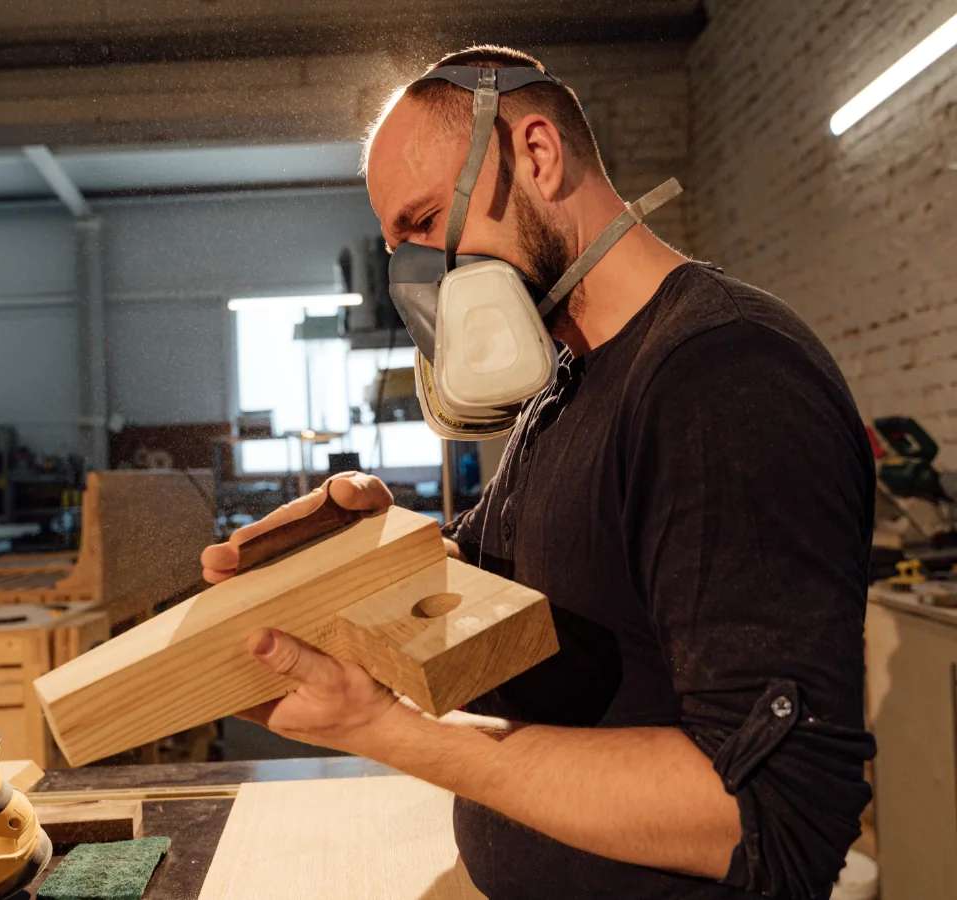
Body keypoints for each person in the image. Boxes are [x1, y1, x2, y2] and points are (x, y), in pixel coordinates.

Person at [201, 45, 874, 900]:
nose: (417, 274)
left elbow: (767, 817)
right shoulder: (570, 383)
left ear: (538, 155)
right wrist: (369, 550)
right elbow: (512, 595)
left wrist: (384, 730)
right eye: (397, 247)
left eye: (422, 223)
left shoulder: (723, 380)